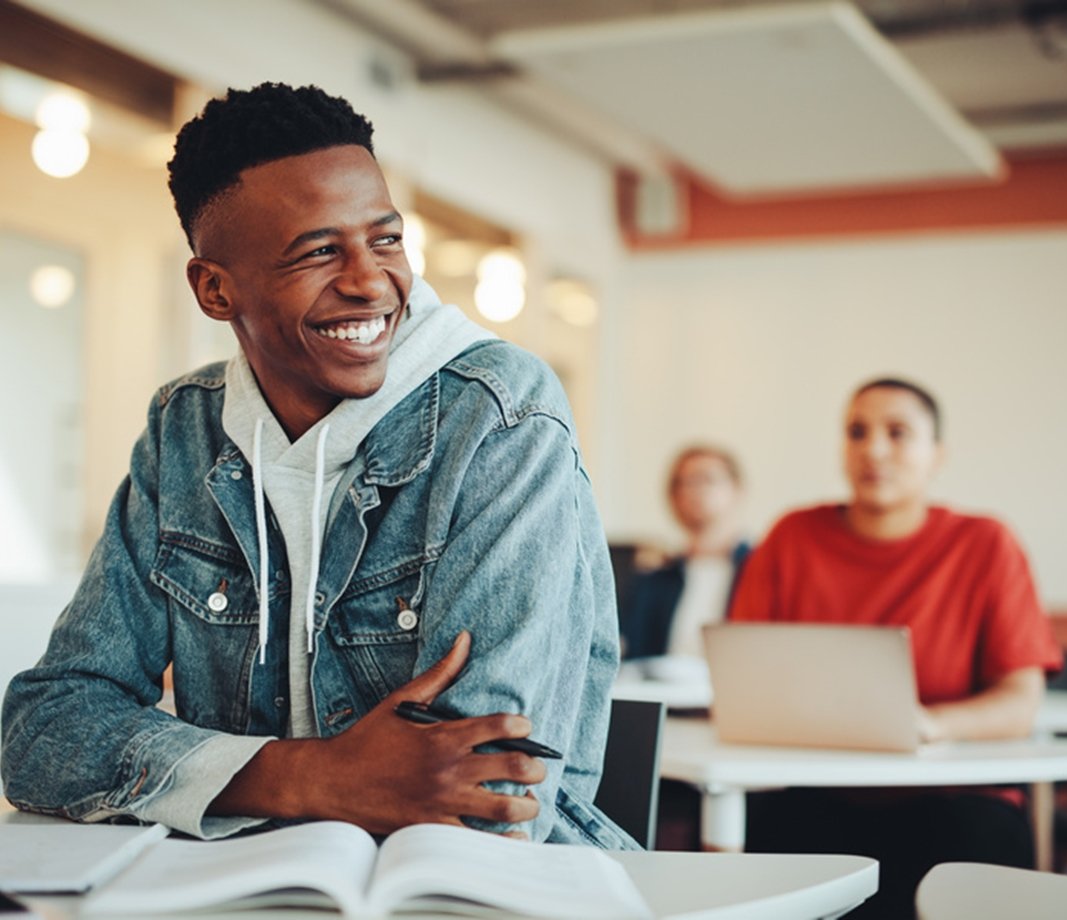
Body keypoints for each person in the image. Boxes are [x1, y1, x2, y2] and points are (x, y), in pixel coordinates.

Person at [1, 82, 633, 849]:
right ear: (214, 289)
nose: (370, 281)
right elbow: (43, 730)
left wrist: (224, 776)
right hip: (242, 883)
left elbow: (488, 795)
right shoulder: (186, 430)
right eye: (319, 251)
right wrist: (314, 775)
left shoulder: (499, 413)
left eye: (387, 239)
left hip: (471, 892)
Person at [729, 377, 1063, 919]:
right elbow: (743, 674)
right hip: (819, 791)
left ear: (938, 455)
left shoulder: (986, 544)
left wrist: (933, 724)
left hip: (956, 798)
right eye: (857, 432)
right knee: (768, 836)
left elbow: (1021, 701)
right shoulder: (792, 536)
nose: (874, 449)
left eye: (898, 433)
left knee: (975, 843)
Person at [622, 445, 750, 661]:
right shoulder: (656, 578)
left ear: (737, 489)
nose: (692, 491)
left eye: (706, 479)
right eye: (681, 483)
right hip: (661, 691)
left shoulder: (761, 570)